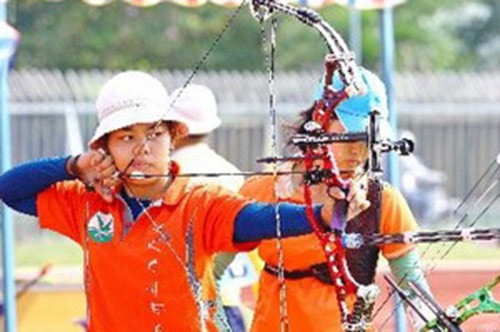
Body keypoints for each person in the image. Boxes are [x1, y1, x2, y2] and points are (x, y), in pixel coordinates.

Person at [0, 71, 369, 332]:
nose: (143, 148)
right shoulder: (87, 203)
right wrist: (73, 166)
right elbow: (9, 189)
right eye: (126, 137)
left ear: (173, 137)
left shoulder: (199, 202)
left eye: (155, 134)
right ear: (105, 148)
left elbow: (256, 218)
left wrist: (321, 214)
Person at [239, 68, 433, 332]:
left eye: (367, 139)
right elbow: (209, 274)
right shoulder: (264, 189)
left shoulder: (381, 200)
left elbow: (415, 291)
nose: (357, 150)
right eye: (349, 135)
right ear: (320, 121)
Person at [169, 83, 258, 331]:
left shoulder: (161, 176)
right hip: (227, 301)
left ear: (173, 127)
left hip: (175, 305)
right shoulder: (232, 173)